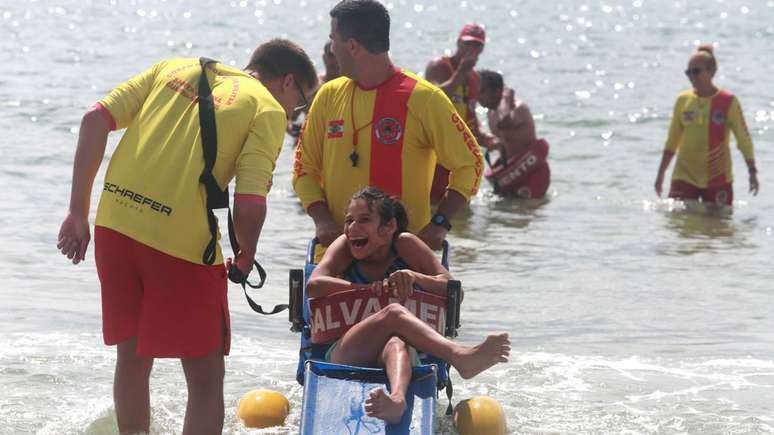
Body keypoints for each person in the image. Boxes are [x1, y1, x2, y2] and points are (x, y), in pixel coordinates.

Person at [56, 40, 317, 435]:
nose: (293, 114)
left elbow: (94, 119)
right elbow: (249, 203)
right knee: (205, 375)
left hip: (113, 227)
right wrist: (246, 256)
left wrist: (78, 212)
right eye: (298, 103)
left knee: (131, 359)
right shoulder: (265, 108)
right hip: (178, 243)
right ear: (287, 82)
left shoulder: (173, 68)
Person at [293, 0, 484, 259]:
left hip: (404, 262)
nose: (331, 50)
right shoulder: (328, 95)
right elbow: (303, 168)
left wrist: (440, 223)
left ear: (352, 46)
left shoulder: (424, 97)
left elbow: (470, 163)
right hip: (336, 257)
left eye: (333, 40)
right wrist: (322, 220)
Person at [306, 187, 510, 424]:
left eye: (364, 220)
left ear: (389, 228)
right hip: (348, 351)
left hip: (398, 352)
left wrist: (415, 277)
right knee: (392, 313)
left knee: (396, 342)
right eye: (349, 220)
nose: (353, 228)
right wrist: (365, 289)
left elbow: (455, 290)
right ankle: (459, 356)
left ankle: (397, 400)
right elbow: (314, 285)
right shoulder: (345, 246)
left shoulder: (405, 244)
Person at [654, 44, 759, 206]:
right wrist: (661, 174)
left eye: (696, 71)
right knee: (680, 226)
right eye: (688, 72)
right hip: (684, 176)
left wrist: (752, 170)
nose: (692, 77)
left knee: (718, 228)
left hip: (718, 178)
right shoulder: (683, 100)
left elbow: (743, 138)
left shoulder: (728, 101)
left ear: (711, 71)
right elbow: (672, 141)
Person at [425, 23, 487, 202]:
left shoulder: (474, 77)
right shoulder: (440, 66)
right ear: (458, 42)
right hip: (435, 150)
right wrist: (460, 73)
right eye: (468, 43)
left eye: (477, 45)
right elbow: (432, 99)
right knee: (432, 203)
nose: (472, 49)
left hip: (457, 154)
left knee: (459, 209)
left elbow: (469, 114)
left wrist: (483, 135)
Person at [477, 69, 550, 198]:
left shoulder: (518, 108)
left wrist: (505, 97)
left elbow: (504, 120)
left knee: (524, 214)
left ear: (497, 91)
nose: (478, 96)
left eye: (482, 91)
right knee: (504, 215)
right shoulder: (490, 113)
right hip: (509, 173)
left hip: (532, 172)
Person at [288, 41, 341, 137]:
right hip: (313, 142)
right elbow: (288, 116)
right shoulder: (311, 86)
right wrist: (297, 131)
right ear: (324, 58)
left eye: (339, 55)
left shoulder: (353, 85)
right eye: (331, 55)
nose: (335, 60)